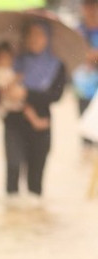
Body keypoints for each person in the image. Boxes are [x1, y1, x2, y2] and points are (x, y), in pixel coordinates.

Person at [0, 20, 66, 207]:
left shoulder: (57, 66)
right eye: (31, 34)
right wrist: (3, 90)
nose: (34, 39)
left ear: (48, 38)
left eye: (40, 35)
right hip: (14, 123)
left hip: (41, 124)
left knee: (35, 178)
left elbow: (55, 96)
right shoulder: (12, 61)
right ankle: (11, 220)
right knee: (13, 167)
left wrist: (25, 93)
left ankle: (35, 223)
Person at [0, 41, 49, 130]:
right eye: (2, 58)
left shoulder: (10, 69)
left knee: (27, 107)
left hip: (15, 97)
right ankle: (36, 121)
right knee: (26, 108)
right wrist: (15, 80)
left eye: (8, 57)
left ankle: (36, 121)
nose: (6, 60)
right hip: (8, 100)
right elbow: (3, 87)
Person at [74, 0, 98, 153]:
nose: (91, 10)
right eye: (88, 6)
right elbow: (75, 56)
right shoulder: (78, 31)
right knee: (87, 139)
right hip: (83, 87)